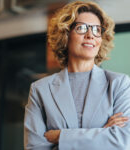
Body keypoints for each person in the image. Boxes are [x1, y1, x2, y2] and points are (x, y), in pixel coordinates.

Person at [24, 1, 130, 150]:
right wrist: (102, 133)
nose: (90, 35)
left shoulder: (119, 84)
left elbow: (122, 142)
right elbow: (35, 148)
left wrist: (61, 137)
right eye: (82, 28)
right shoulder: (40, 90)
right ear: (66, 35)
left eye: (96, 30)